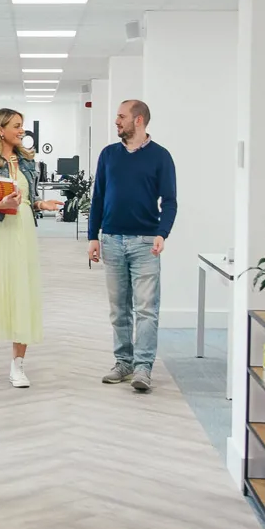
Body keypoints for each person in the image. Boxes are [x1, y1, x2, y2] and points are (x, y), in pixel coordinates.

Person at [0, 108, 63, 388]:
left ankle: (18, 365)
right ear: (0, 129)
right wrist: (0, 204)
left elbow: (28, 200)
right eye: (16, 126)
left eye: (22, 126)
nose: (22, 130)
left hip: (22, 231)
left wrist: (43, 204)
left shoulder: (28, 160)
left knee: (22, 292)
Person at [89, 99, 177, 394]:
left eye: (121, 117)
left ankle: (143, 368)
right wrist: (93, 236)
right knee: (118, 310)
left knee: (146, 310)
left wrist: (163, 232)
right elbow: (98, 196)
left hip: (144, 243)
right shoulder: (109, 155)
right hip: (111, 239)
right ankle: (123, 362)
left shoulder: (160, 157)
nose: (117, 121)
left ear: (138, 120)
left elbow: (170, 201)